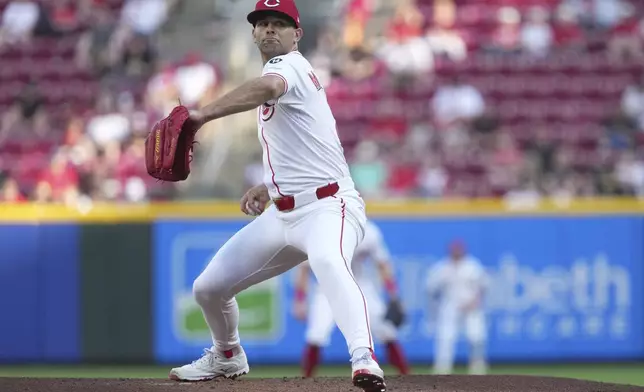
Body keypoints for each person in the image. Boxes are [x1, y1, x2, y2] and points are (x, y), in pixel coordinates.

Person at [167, 1, 386, 391]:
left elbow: (268, 87)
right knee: (208, 288)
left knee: (327, 260)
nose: (270, 30)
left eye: (279, 24)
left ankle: (363, 359)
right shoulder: (282, 73)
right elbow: (300, 147)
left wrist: (203, 115)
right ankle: (227, 355)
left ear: (296, 34)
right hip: (285, 214)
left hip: (328, 207)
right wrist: (269, 188)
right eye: (263, 24)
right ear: (253, 33)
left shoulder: (290, 67)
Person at [293, 220, 410, 378]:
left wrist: (393, 295)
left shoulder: (368, 230)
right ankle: (304, 381)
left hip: (360, 285)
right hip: (327, 288)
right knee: (316, 335)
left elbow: (382, 264)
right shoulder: (321, 227)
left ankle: (407, 377)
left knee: (387, 331)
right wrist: (300, 299)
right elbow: (304, 268)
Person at [426, 240, 489, 375]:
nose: (456, 252)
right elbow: (431, 288)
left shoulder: (473, 266)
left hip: (471, 305)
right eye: (454, 250)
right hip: (451, 305)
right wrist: (437, 305)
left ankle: (477, 366)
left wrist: (476, 301)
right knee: (445, 337)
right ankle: (442, 368)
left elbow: (483, 286)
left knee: (476, 336)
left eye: (458, 250)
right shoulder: (443, 267)